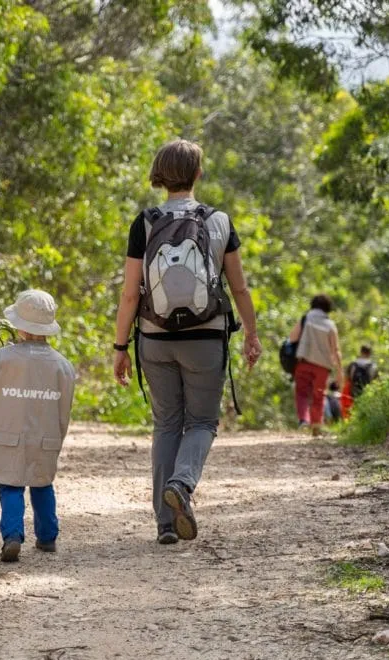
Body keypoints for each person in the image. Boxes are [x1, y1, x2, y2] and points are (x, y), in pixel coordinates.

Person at [113, 140, 261, 545]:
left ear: (161, 174)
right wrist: (250, 332)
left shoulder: (144, 222)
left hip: (155, 338)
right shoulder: (219, 221)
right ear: (198, 173)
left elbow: (130, 293)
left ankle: (165, 524)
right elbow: (240, 287)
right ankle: (182, 484)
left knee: (166, 425)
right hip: (206, 337)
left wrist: (120, 346)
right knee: (201, 422)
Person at [0, 291, 76, 563]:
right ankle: (48, 538)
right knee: (42, 484)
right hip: (45, 439)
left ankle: (13, 537)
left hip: (9, 439)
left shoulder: (5, 358)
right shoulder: (63, 366)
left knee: (11, 486)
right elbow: (64, 408)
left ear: (18, 326)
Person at [288, 294, 345, 435]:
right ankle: (316, 424)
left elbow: (292, 338)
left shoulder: (306, 318)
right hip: (322, 367)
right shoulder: (330, 325)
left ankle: (304, 421)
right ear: (328, 308)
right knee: (318, 395)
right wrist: (339, 372)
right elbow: (336, 350)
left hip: (304, 362)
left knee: (301, 393)